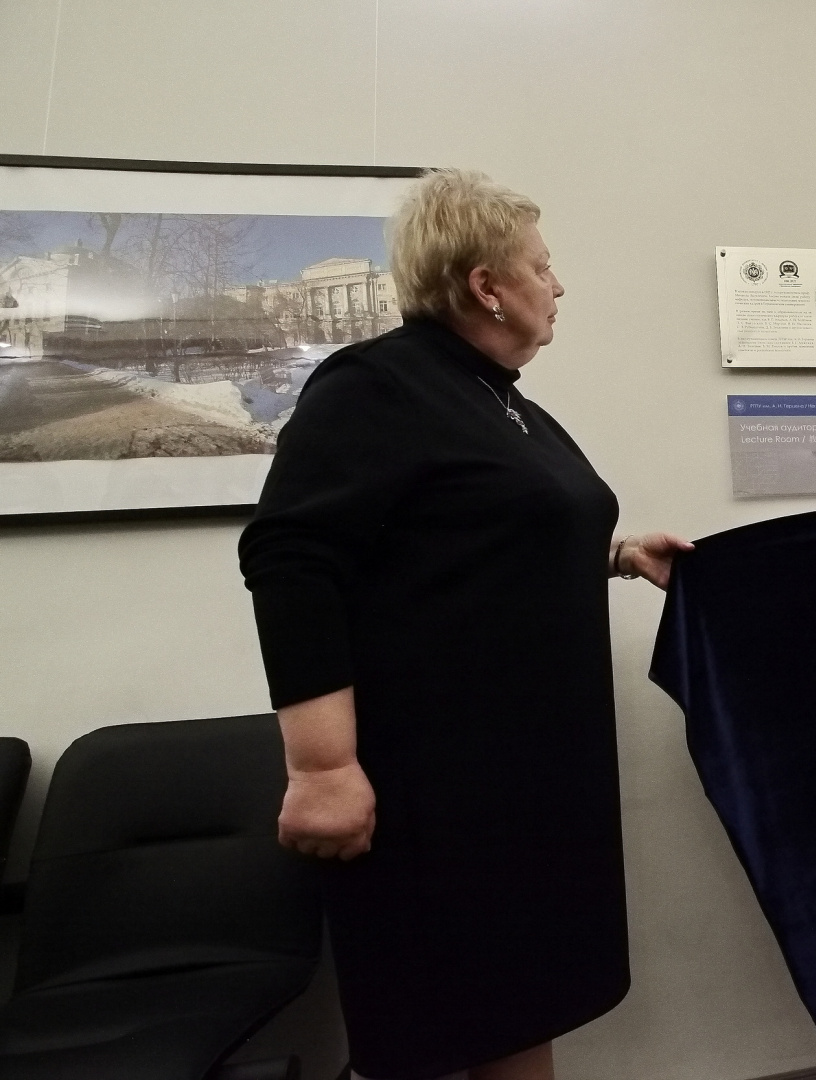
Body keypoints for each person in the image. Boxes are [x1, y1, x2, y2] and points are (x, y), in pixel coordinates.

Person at [239, 169, 690, 1080]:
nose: (558, 285)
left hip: (531, 780)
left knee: (519, 1007)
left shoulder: (498, 399)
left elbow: (470, 541)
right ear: (487, 285)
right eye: (542, 266)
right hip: (439, 786)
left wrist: (615, 553)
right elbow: (293, 560)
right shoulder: (376, 385)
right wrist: (321, 767)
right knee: (446, 1021)